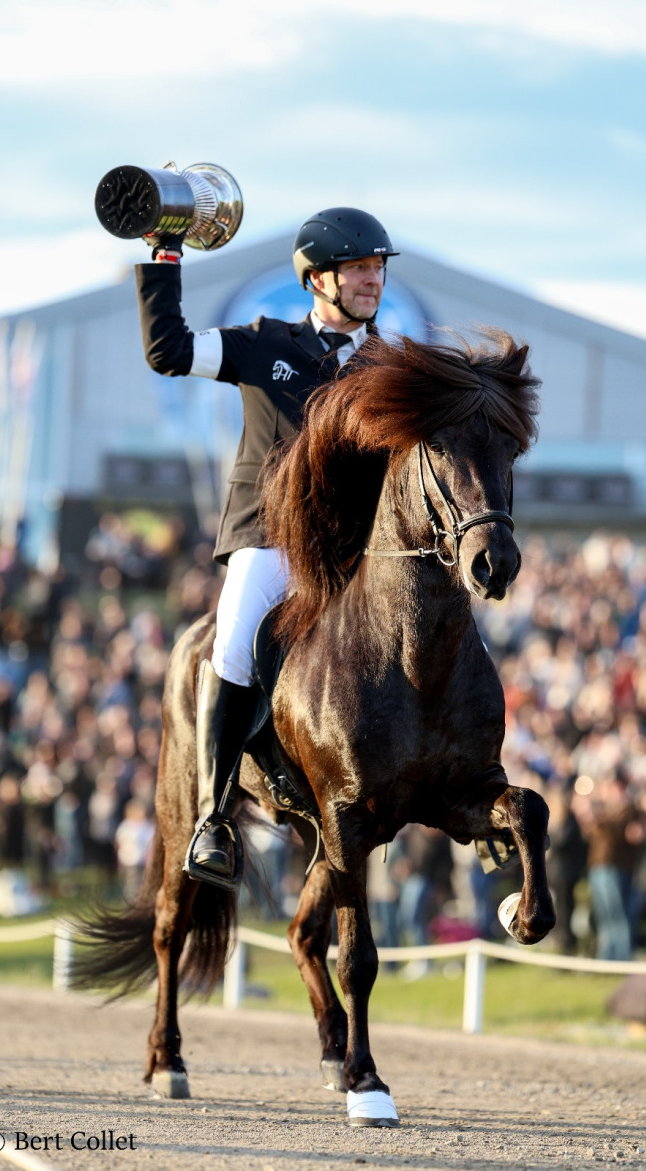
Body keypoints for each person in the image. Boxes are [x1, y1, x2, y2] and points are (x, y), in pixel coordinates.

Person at [135, 207, 399, 889]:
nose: (374, 279)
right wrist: (166, 252)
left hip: (351, 553)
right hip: (270, 536)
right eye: (360, 268)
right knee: (232, 640)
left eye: (378, 267)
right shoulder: (264, 343)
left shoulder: (390, 366)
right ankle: (213, 817)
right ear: (317, 280)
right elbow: (170, 350)